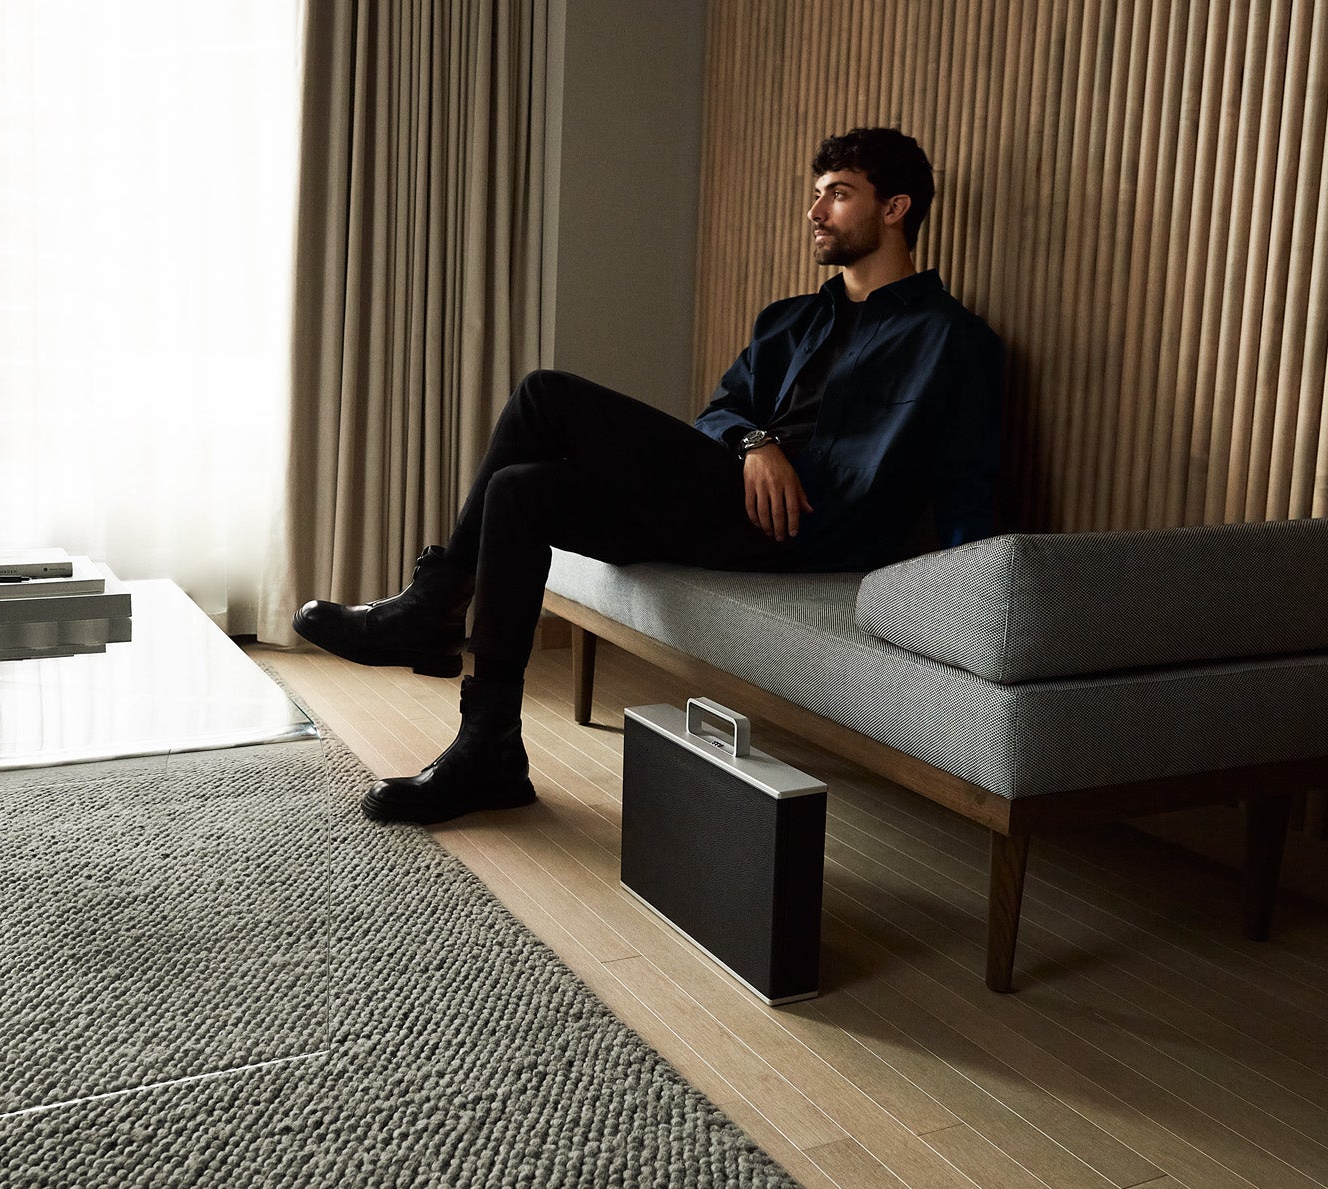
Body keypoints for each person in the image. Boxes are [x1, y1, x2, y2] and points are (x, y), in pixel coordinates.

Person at [294, 126, 1004, 825]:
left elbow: (972, 481)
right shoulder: (790, 320)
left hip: (816, 525)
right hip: (731, 497)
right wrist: (758, 441)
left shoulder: (952, 339)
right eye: (815, 195)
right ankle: (490, 750)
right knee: (520, 491)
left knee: (544, 393)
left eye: (839, 195)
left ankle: (435, 604)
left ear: (895, 208)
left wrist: (961, 607)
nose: (815, 212)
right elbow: (722, 413)